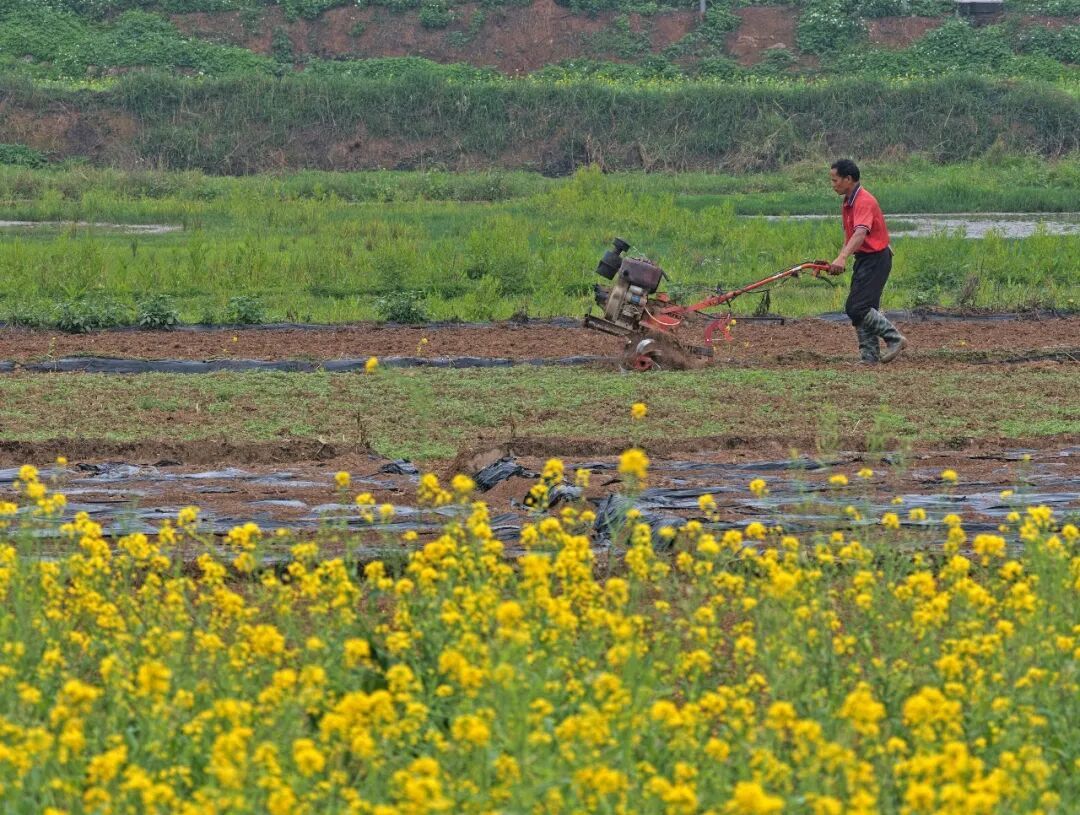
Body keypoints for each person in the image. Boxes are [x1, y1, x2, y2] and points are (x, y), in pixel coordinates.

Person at [827, 159, 906, 364]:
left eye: (835, 180)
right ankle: (869, 357)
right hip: (866, 258)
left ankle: (894, 338)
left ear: (848, 179)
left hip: (876, 259)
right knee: (865, 307)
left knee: (856, 307)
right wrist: (838, 259)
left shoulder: (863, 200)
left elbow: (861, 233)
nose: (833, 184)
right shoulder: (848, 202)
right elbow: (852, 236)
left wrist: (842, 257)